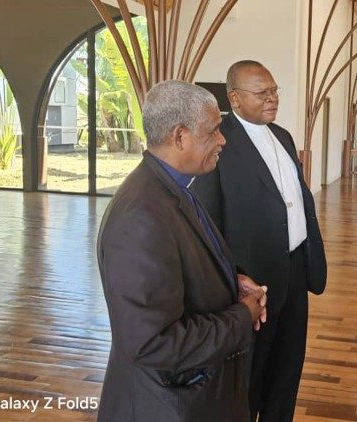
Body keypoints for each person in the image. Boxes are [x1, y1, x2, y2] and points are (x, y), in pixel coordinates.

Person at [96, 80, 267, 422]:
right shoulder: (140, 216)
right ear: (179, 137)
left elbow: (180, 268)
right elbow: (154, 343)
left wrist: (230, 283)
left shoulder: (173, 187)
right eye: (213, 131)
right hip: (168, 406)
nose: (222, 140)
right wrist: (241, 317)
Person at [193, 60, 327, 422]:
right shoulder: (219, 143)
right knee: (251, 372)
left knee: (287, 367)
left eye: (274, 91)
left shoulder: (283, 136)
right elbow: (209, 221)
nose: (272, 98)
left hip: (295, 269)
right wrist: (233, 276)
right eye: (262, 92)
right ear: (234, 98)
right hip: (254, 282)